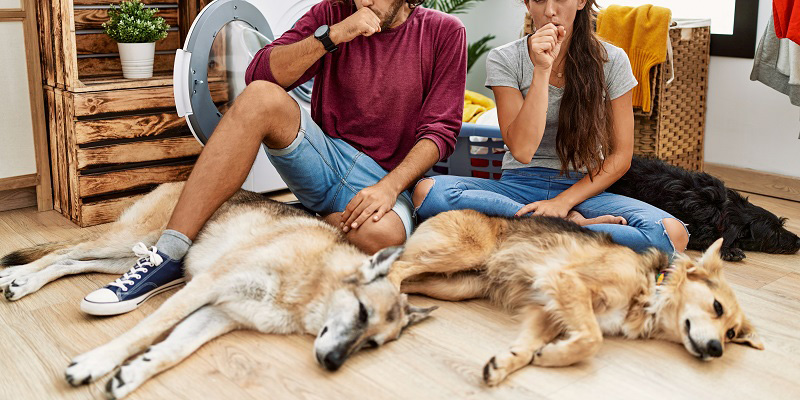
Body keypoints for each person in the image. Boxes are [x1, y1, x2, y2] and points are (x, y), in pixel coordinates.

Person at [80, 0, 466, 316]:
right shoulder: (332, 13)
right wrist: (334, 36)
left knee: (381, 239)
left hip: (384, 177)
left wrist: (388, 188)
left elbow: (440, 131)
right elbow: (259, 74)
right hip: (324, 157)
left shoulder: (444, 32)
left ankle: (305, 224)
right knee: (262, 98)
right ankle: (167, 256)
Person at [412, 0, 689, 256]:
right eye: (539, 0)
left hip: (583, 189)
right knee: (428, 192)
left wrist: (562, 204)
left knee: (671, 233)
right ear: (527, 3)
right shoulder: (505, 58)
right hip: (517, 188)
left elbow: (620, 158)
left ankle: (529, 230)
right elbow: (521, 150)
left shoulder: (613, 61)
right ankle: (572, 230)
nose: (550, 11)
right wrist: (541, 70)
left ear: (581, 2)